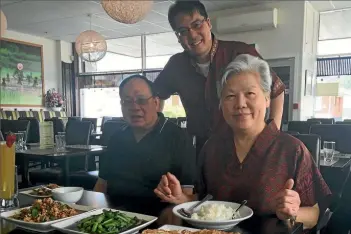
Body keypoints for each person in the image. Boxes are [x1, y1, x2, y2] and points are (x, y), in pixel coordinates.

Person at [154, 55, 331, 231]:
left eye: (250, 94)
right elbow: (204, 201)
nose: (240, 104)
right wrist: (181, 199)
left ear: (267, 98)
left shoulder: (292, 150)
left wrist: (292, 212)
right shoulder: (212, 148)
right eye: (230, 96)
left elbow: (315, 214)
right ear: (221, 103)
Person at [154, 1, 285, 155]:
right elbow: (156, 95)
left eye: (197, 24)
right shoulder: (176, 65)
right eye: (183, 31)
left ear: (208, 23)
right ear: (178, 37)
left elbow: (277, 89)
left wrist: (271, 136)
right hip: (200, 150)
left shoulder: (240, 53)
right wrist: (157, 129)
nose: (192, 35)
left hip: (245, 146)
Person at [94, 75, 196, 216]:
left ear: (155, 102)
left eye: (141, 100)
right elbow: (101, 185)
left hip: (157, 219)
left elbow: (187, 196)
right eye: (127, 101)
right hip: (112, 217)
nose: (134, 107)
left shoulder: (178, 137)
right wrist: (91, 214)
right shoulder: (116, 138)